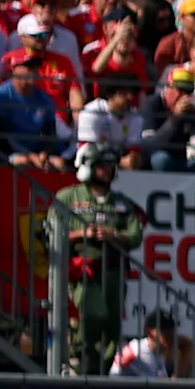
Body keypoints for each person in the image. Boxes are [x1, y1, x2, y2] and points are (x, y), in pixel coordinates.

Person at [49, 144, 147, 362]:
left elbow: (136, 235)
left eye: (111, 165)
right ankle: (78, 359)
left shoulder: (121, 203)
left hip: (114, 271)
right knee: (93, 313)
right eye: (103, 165)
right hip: (83, 270)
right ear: (89, 166)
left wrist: (115, 235)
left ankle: (101, 369)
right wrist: (81, 234)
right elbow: (51, 233)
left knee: (112, 325)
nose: (108, 170)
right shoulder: (68, 197)